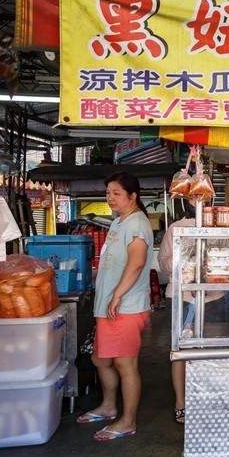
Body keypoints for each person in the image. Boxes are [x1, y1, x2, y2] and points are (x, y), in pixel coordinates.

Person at [76, 172, 153, 442]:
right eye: (108, 192)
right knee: (101, 358)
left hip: (126, 306)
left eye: (116, 193)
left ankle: (128, 421)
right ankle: (109, 406)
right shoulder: (119, 222)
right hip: (109, 305)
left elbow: (137, 263)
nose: (110, 198)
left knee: (125, 364)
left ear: (133, 196)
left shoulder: (137, 224)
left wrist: (118, 294)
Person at [158, 198, 228, 424]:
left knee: (211, 350)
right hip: (182, 297)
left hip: (214, 299)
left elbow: (226, 264)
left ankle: (208, 399)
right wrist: (186, 264)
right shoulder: (176, 228)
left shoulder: (219, 228)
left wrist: (212, 278)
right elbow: (163, 262)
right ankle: (181, 403)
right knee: (181, 351)